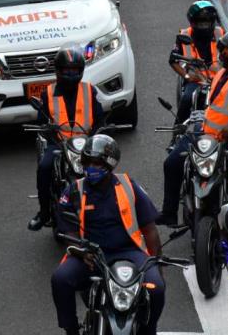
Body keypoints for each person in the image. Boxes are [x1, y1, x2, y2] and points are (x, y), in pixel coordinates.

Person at [52, 135, 164, 335]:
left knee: (156, 288)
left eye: (96, 163)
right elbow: (67, 232)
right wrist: (81, 252)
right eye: (87, 163)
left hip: (129, 252)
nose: (90, 168)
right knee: (60, 279)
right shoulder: (73, 191)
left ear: (109, 163)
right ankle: (70, 329)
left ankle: (149, 330)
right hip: (91, 254)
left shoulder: (130, 186)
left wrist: (155, 262)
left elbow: (150, 229)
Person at [158, 30, 228, 226]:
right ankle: (169, 212)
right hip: (204, 135)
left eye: (222, 49)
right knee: (172, 164)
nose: (219, 52)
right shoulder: (223, 72)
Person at [28, 43, 104, 231]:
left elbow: (100, 119)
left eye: (75, 70)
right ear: (58, 71)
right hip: (58, 144)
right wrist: (48, 129)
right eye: (67, 70)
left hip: (85, 145)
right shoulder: (48, 93)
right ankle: (44, 212)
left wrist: (104, 129)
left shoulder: (89, 91)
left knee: (107, 167)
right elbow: (41, 121)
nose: (71, 74)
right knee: (44, 168)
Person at [169, 0, 224, 124]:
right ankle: (177, 133)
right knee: (187, 98)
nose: (204, 26)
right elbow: (172, 60)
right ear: (192, 22)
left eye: (207, 22)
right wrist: (187, 76)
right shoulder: (184, 35)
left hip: (219, 79)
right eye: (200, 23)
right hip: (197, 79)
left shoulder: (220, 33)